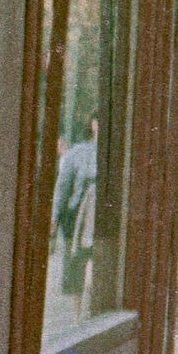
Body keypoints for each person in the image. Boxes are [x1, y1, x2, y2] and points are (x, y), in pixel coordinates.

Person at [52, 114, 99, 302]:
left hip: (104, 219)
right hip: (79, 217)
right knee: (76, 264)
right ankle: (77, 315)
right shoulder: (78, 153)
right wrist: (55, 217)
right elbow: (63, 188)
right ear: (94, 125)